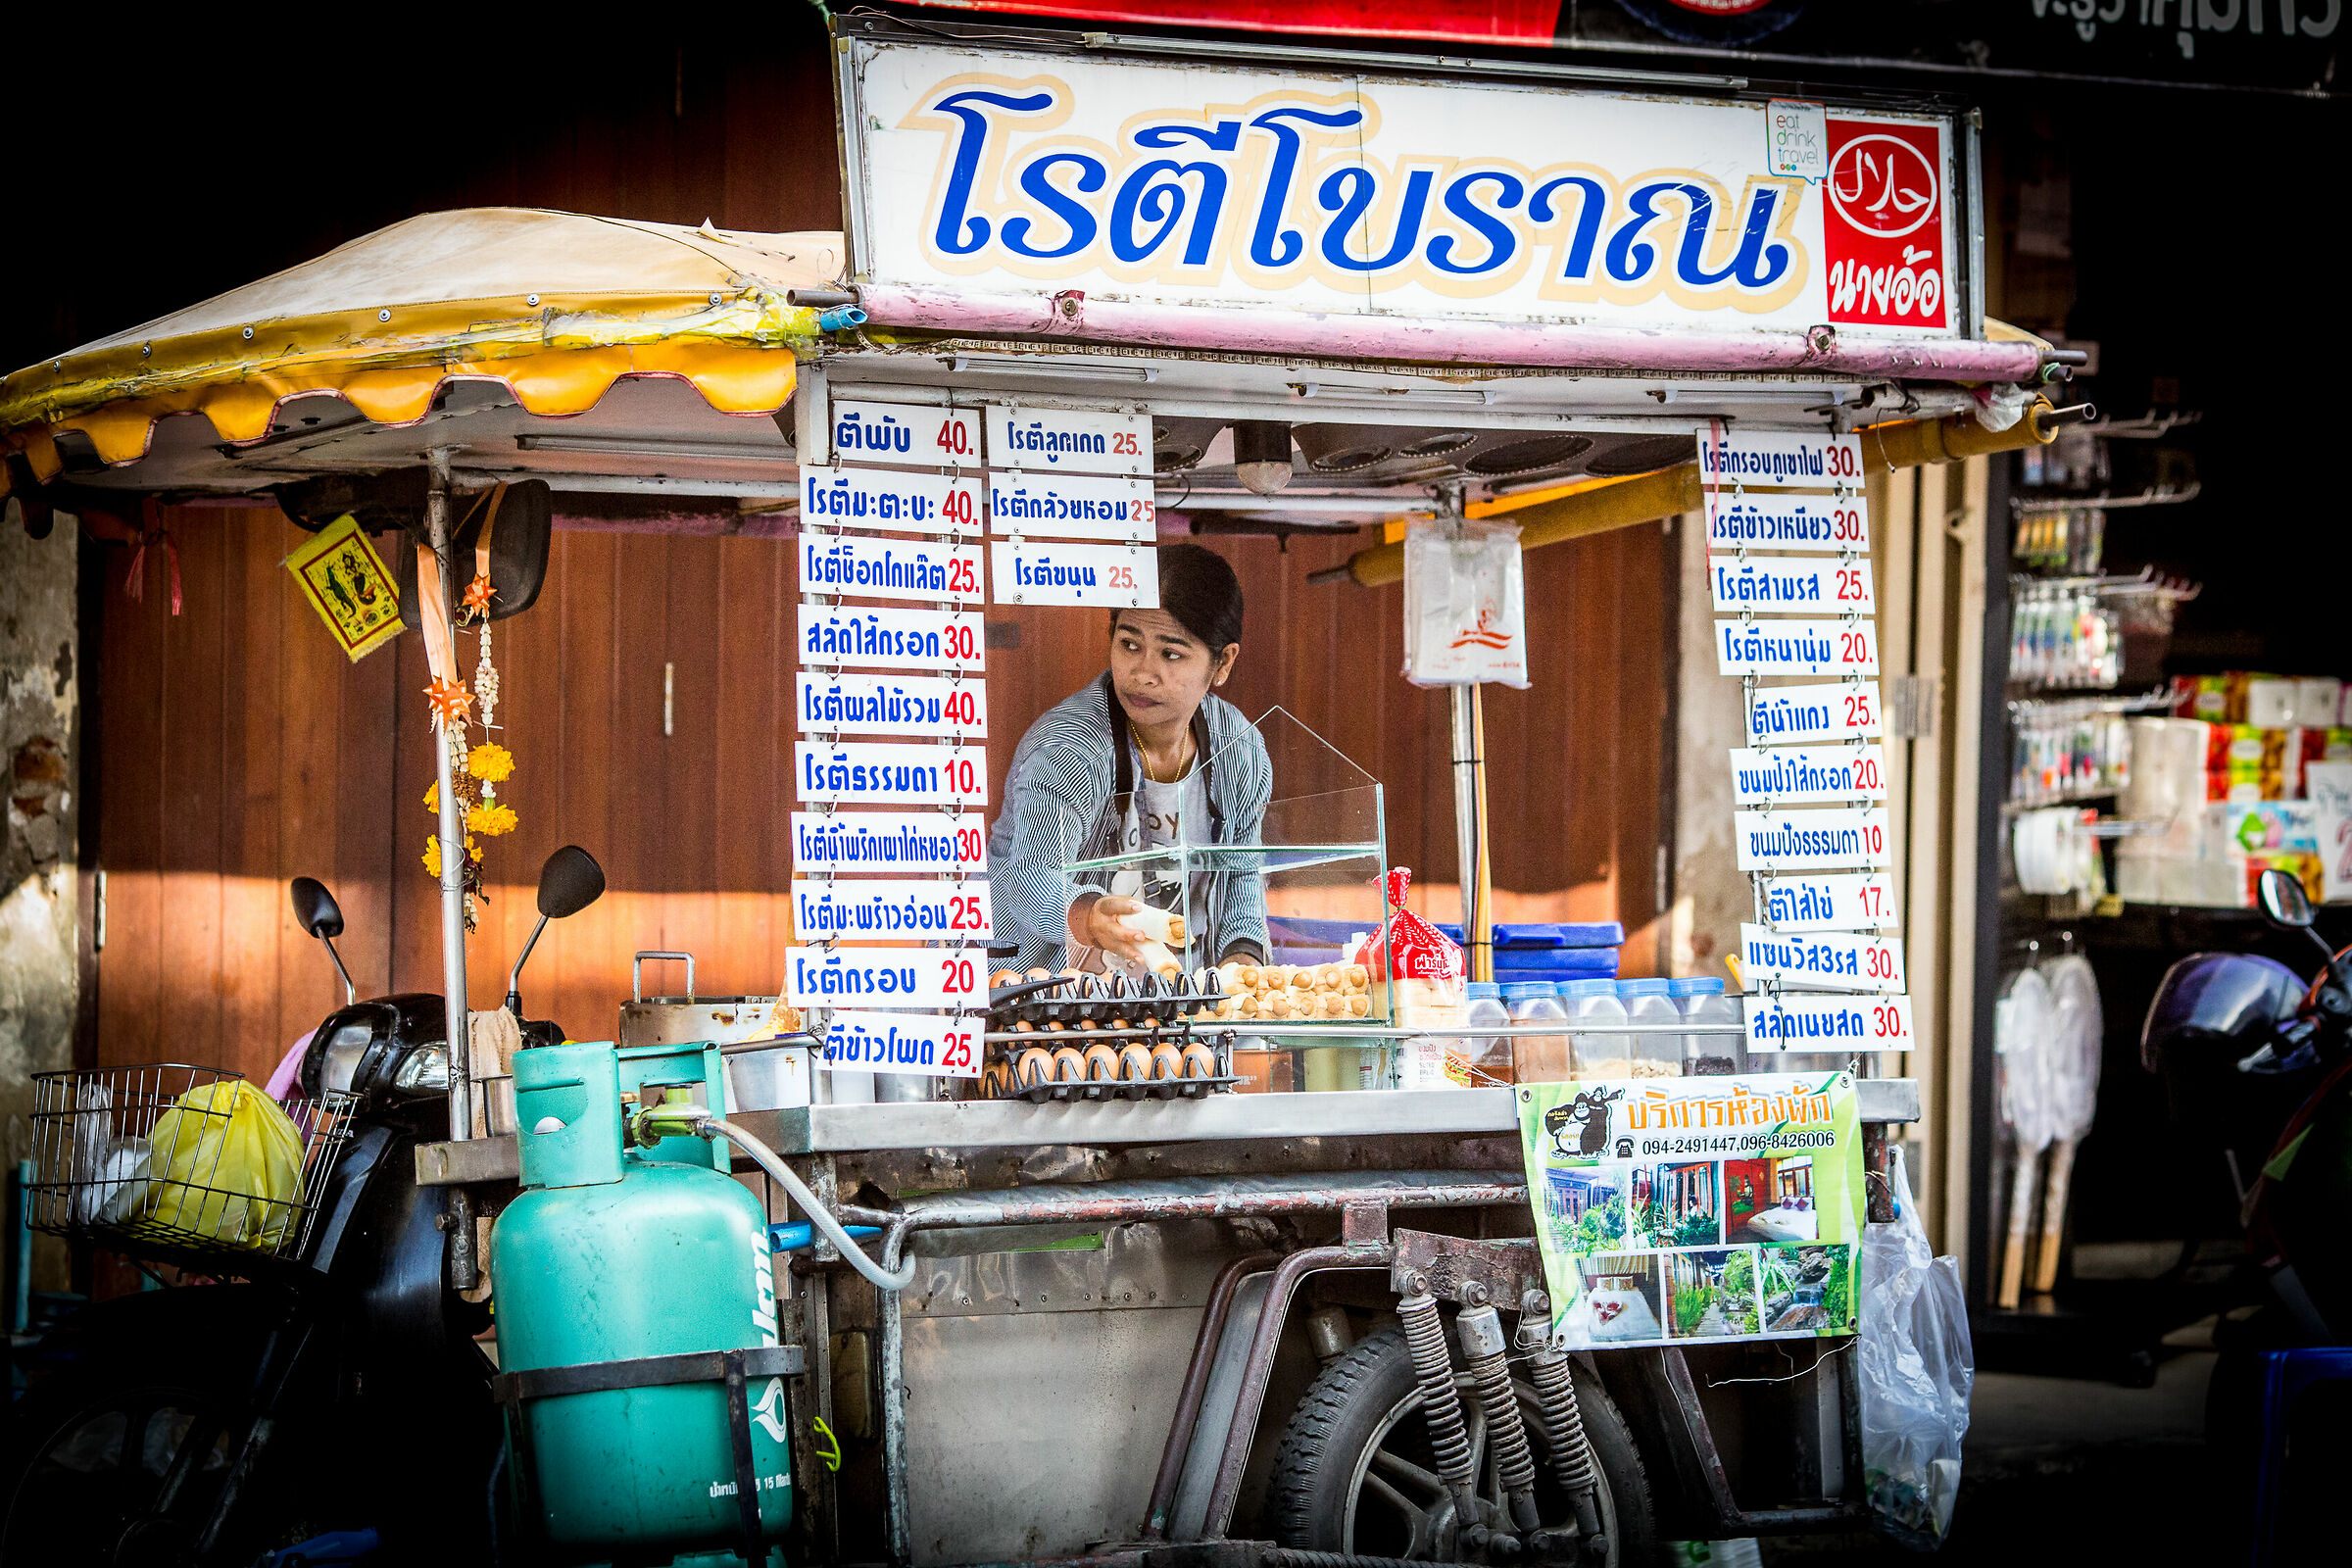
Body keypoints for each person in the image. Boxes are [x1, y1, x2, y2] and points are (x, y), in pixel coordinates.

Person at [988, 543, 1270, 974]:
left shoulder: (1241, 750)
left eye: (1171, 654)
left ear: (1223, 663)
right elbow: (1027, 877)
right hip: (1026, 988)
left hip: (1164, 1009)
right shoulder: (1069, 744)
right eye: (1129, 644)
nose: (1143, 673)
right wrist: (1088, 917)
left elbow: (1240, 885)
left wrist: (1243, 967)